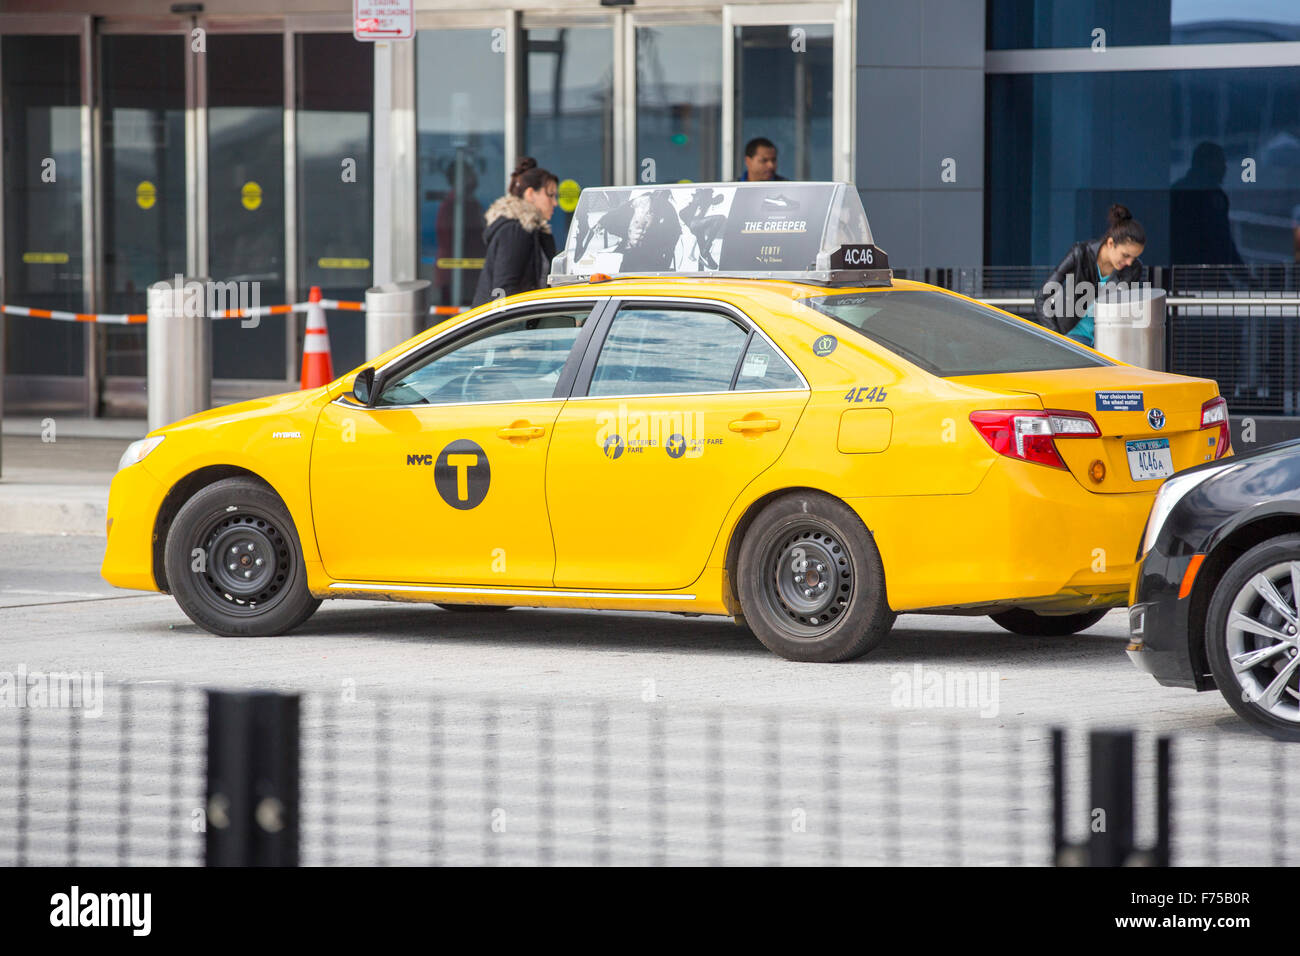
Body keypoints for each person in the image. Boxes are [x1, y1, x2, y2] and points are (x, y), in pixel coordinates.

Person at [1033, 204, 1146, 347]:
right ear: (1111, 243)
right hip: (1072, 337)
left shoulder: (1134, 269)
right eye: (1126, 255)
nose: (1129, 262)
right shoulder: (1080, 254)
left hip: (1110, 340)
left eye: (1134, 258)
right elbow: (1042, 298)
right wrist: (1056, 338)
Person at [471, 158, 559, 307]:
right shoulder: (515, 231)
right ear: (530, 193)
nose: (555, 202)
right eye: (550, 195)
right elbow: (504, 290)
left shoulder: (533, 231)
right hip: (505, 326)